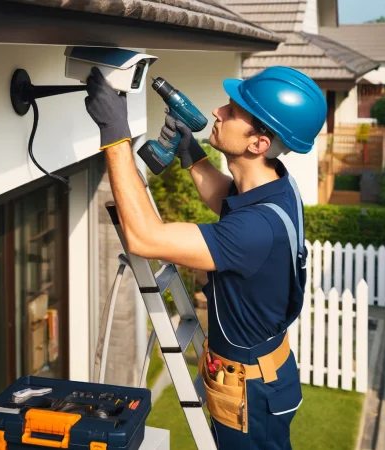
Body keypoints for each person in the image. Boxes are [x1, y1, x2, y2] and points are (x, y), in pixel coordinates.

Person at [85, 65, 327, 449]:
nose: (218, 111)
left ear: (258, 144)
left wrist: (116, 136)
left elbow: (144, 238)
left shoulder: (255, 231)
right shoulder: (277, 187)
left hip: (251, 395)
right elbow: (227, 200)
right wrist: (192, 154)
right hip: (260, 374)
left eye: (232, 111)